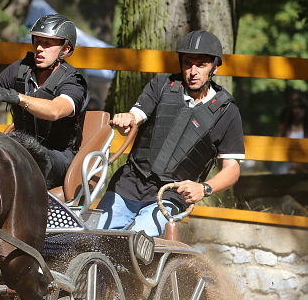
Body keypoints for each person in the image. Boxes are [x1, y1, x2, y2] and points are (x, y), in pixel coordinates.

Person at [98, 30, 245, 236]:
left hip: (171, 196)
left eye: (201, 64)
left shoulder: (227, 112)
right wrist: (127, 120)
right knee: (93, 237)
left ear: (215, 67)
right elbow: (135, 116)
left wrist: (204, 188)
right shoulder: (160, 86)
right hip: (128, 185)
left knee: (138, 242)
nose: (193, 71)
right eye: (187, 63)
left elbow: (232, 169)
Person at [0, 14, 89, 188]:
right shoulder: (18, 70)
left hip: (59, 159)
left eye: (48, 43)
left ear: (65, 49)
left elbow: (55, 110)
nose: (40, 48)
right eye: (37, 41)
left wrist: (19, 98)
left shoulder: (73, 81)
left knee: (22, 153)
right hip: (19, 148)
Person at [271, 91, 308, 174]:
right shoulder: (285, 129)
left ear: (305, 110)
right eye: (295, 108)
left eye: (301, 108)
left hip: (303, 167)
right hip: (285, 165)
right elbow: (278, 149)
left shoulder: (306, 130)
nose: (298, 111)